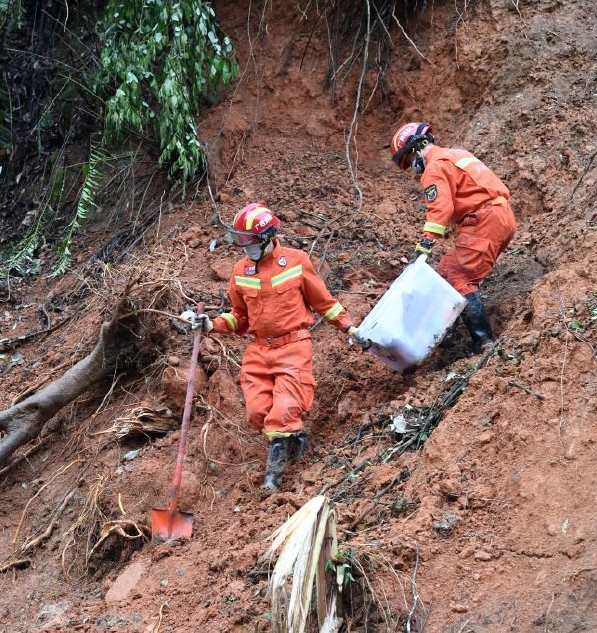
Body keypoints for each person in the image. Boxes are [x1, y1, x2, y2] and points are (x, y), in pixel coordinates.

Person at [181, 203, 363, 493]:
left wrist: (349, 327)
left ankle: (273, 480)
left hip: (293, 347)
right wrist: (209, 324)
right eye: (237, 239)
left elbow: (323, 302)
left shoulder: (296, 261)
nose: (241, 246)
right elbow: (239, 316)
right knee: (257, 413)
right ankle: (296, 440)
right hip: (259, 352)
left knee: (283, 412)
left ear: (266, 237)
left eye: (246, 239)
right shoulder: (241, 270)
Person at [390, 121, 516, 349]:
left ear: (415, 149)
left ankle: (484, 343)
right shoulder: (456, 154)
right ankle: (445, 334)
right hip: (500, 216)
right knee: (446, 271)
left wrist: (424, 245)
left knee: (460, 278)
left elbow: (441, 210)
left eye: (409, 161)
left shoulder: (434, 168)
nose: (412, 168)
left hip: (484, 221)